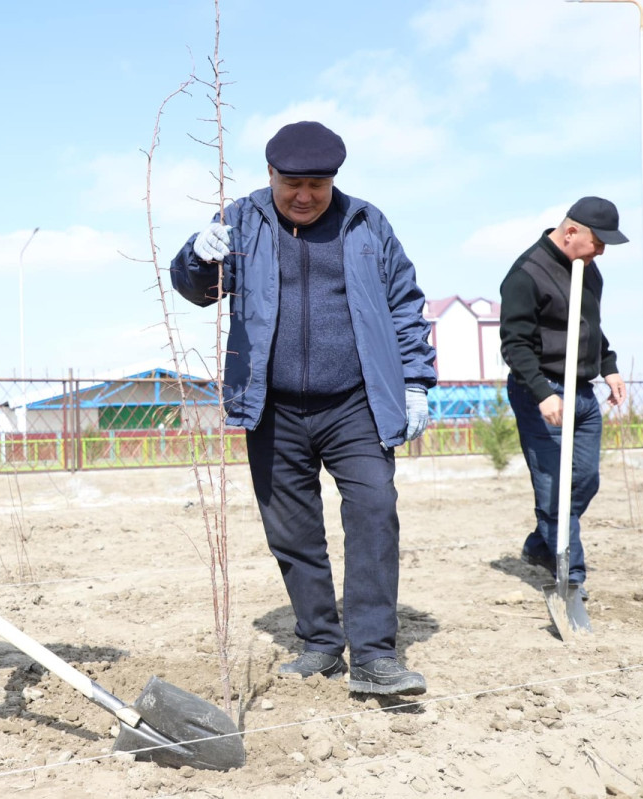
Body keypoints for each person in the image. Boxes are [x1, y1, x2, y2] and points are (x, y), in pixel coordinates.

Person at [171, 121, 437, 696]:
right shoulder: (241, 220)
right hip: (272, 405)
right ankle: (320, 642)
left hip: (355, 403)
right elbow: (199, 290)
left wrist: (415, 381)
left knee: (374, 510)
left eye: (317, 184)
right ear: (270, 175)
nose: (304, 195)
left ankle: (374, 655)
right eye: (292, 182)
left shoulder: (367, 224)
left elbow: (405, 304)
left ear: (333, 180)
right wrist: (196, 255)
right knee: (291, 531)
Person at [499, 197, 629, 598]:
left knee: (584, 482)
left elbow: (590, 327)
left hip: (583, 393)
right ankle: (570, 578)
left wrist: (608, 365)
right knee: (555, 487)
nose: (602, 251)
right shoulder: (526, 274)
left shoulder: (589, 271)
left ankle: (541, 543)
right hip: (543, 393)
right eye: (598, 242)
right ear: (571, 231)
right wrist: (541, 393)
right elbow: (515, 344)